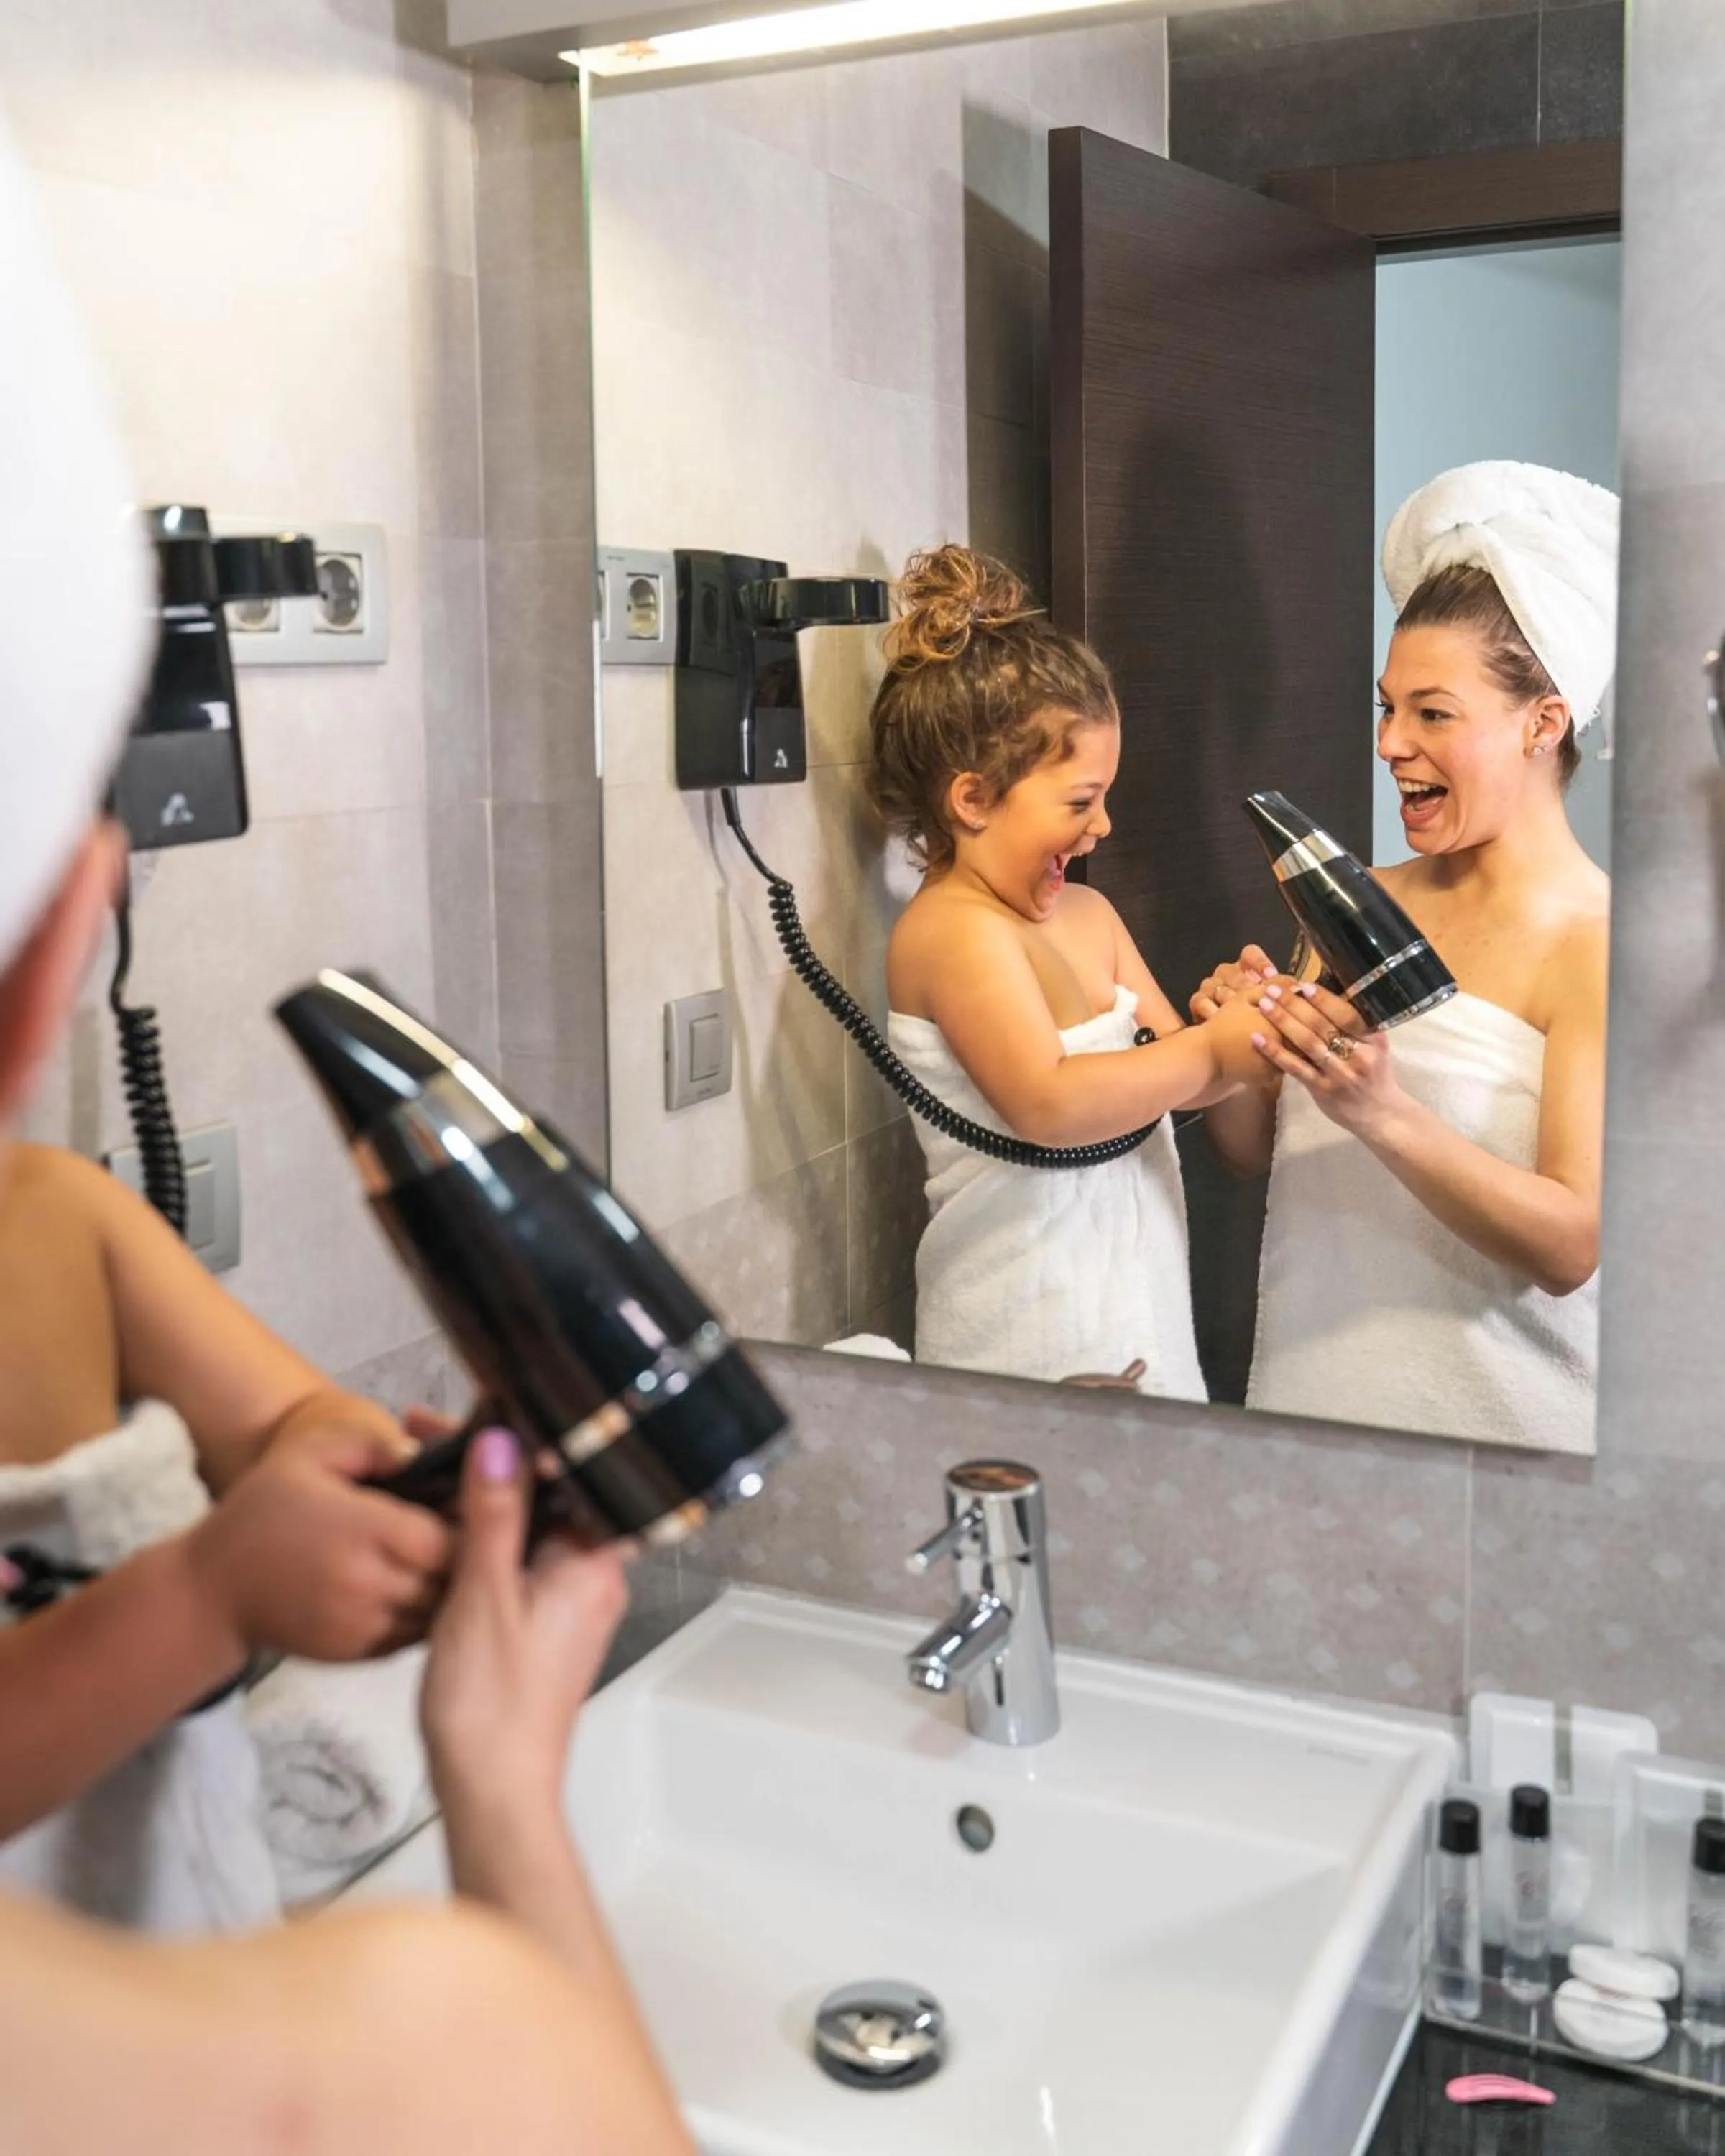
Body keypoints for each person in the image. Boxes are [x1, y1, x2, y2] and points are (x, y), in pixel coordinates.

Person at [0, 100, 688, 2151]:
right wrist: (222, 1598)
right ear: (68, 939)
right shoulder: (400, 2065)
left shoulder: (58, 1223)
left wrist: (331, 1484)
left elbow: (300, 1424)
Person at [1195, 462, 1614, 1452]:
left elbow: (1569, 1244)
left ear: (1541, 723)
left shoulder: (1594, 945)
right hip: (1313, 1406)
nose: (1391, 744)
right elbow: (1251, 1154)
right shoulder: (1357, 901)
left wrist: (1379, 1111)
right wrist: (1242, 1056)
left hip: (1498, 1446)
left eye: (1433, 713)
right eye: (1388, 709)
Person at [870, 545, 1270, 1392]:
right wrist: (1211, 1053)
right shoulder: (950, 933)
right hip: (1027, 1320)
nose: (1105, 827)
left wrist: (1246, 1028)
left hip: (1137, 1307)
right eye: (1081, 802)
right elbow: (1048, 1103)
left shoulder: (1091, 918)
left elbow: (1179, 1078)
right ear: (973, 799)